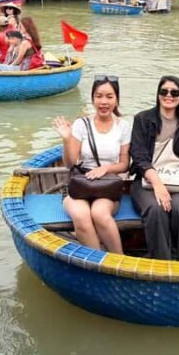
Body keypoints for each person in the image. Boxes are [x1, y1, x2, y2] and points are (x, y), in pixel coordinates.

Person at [130, 76, 179, 261]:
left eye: (175, 92)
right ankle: (162, 263)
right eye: (164, 91)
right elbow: (139, 156)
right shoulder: (142, 119)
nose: (169, 96)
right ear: (158, 95)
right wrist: (157, 184)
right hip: (147, 181)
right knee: (156, 209)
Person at [53, 76, 130, 253]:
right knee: (81, 216)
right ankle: (100, 262)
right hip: (80, 183)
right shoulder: (82, 124)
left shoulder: (123, 126)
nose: (104, 102)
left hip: (108, 185)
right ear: (93, 98)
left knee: (99, 214)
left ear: (116, 99)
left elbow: (125, 164)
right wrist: (67, 140)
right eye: (99, 96)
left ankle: (119, 260)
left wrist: (106, 168)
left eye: (109, 96)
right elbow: (70, 163)